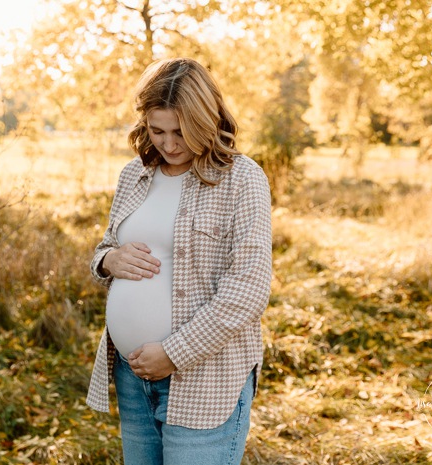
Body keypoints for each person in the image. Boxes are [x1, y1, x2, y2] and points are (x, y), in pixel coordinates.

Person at [86, 57, 272, 465]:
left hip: (206, 379)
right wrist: (109, 260)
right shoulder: (134, 175)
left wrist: (174, 352)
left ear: (206, 121)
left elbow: (250, 288)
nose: (169, 145)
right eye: (158, 131)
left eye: (181, 132)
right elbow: (103, 250)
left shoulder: (241, 178)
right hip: (133, 378)